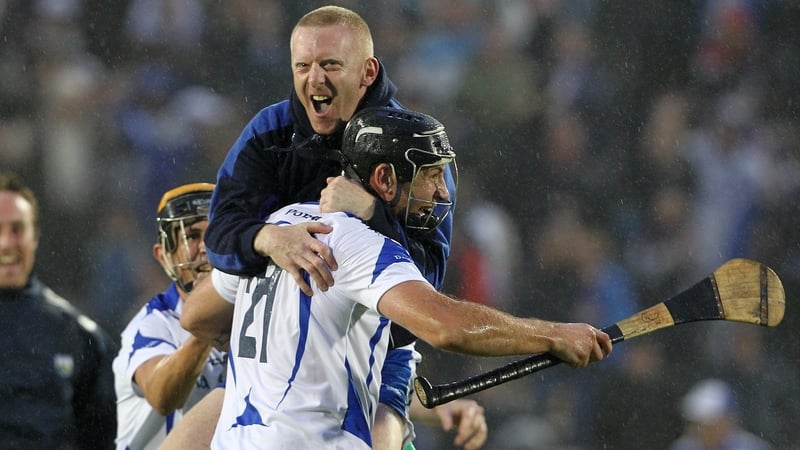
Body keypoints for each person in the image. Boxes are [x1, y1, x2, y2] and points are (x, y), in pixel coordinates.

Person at [181, 107, 612, 449]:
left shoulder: (281, 228)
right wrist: (553, 334)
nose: (443, 193)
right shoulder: (359, 241)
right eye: (430, 175)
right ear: (384, 179)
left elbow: (196, 316)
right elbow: (444, 325)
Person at [201, 5, 465, 448]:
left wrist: (372, 215)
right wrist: (269, 237)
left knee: (380, 435)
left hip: (374, 348)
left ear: (367, 72)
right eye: (302, 66)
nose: (314, 79)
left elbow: (423, 295)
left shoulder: (414, 152)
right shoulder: (271, 131)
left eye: (330, 65)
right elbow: (221, 235)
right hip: (276, 341)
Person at [0, 171, 117, 448]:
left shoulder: (77, 335)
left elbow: (107, 435)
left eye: (18, 229)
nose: (6, 243)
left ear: (35, 238)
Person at [113, 183, 227, 449]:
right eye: (192, 236)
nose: (205, 248)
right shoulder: (150, 325)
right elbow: (162, 396)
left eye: (215, 234)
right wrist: (206, 326)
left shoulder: (254, 315)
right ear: (163, 256)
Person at [668, 378, 775, 450]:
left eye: (709, 424)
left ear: (728, 421)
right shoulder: (683, 447)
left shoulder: (752, 447)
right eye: (697, 423)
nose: (701, 430)